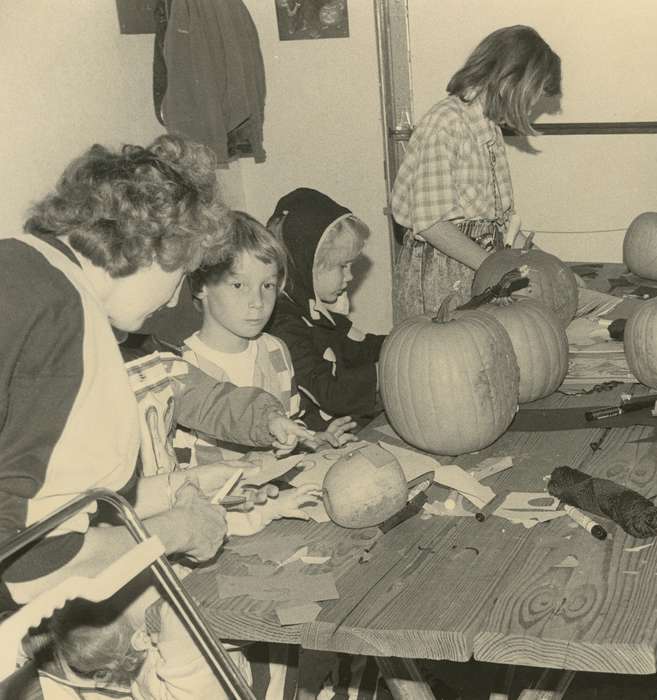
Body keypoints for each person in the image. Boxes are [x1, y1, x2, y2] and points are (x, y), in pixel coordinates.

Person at [0, 135, 311, 616]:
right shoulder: (67, 320)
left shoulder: (18, 262)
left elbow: (46, 502)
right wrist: (177, 530)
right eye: (179, 273)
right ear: (155, 248)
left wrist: (175, 487)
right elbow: (29, 564)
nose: (170, 301)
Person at [30, 484, 322, 699]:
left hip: (244, 653)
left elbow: (201, 537)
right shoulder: (178, 652)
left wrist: (267, 509)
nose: (134, 580)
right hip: (259, 684)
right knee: (315, 614)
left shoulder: (148, 626)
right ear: (144, 638)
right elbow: (181, 598)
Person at [389, 24, 561, 321]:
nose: (533, 106)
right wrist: (495, 270)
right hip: (440, 278)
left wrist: (551, 268)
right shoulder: (445, 123)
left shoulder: (489, 130)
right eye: (532, 95)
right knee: (452, 359)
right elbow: (432, 225)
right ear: (509, 81)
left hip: (481, 269)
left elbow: (503, 224)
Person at [178, 210, 354, 461]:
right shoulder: (181, 369)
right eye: (239, 285)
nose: (258, 302)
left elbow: (290, 423)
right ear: (200, 286)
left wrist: (311, 440)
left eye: (268, 285)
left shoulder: (276, 350)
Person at [267, 188, 386, 429]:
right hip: (314, 437)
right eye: (343, 266)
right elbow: (328, 391)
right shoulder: (283, 323)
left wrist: (401, 343)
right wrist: (387, 370)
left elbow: (357, 348)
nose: (350, 276)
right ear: (308, 263)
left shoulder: (319, 309)